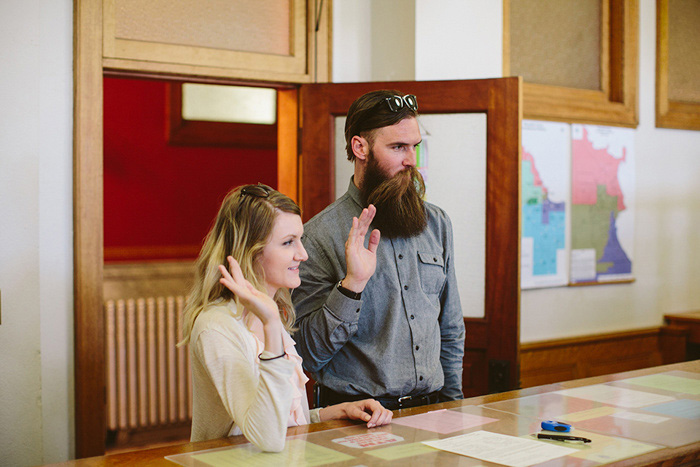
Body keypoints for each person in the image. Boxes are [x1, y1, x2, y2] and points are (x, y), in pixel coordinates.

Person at [180, 184, 392, 452]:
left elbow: (283, 418)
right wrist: (270, 324)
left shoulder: (275, 311)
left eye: (300, 239)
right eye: (288, 242)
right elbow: (267, 437)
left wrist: (335, 412)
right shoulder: (216, 326)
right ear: (251, 251)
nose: (302, 254)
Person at [293, 90, 466, 410]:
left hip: (432, 412)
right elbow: (308, 353)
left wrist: (453, 405)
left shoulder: (437, 224)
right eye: (398, 147)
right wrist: (350, 288)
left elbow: (451, 327)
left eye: (414, 146)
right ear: (360, 147)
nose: (411, 160)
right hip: (353, 418)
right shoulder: (317, 237)